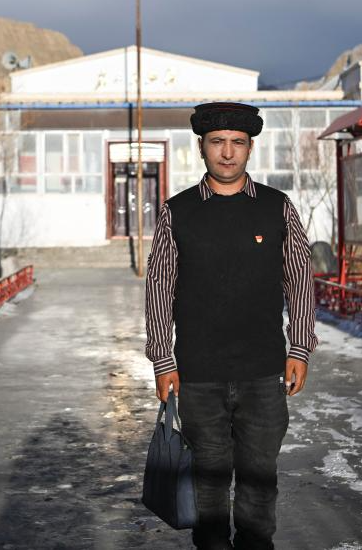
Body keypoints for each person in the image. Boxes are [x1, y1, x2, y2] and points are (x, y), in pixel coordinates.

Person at [145, 101, 318, 550]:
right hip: (198, 376)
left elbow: (300, 279)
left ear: (250, 148)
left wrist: (299, 348)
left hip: (263, 374)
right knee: (208, 490)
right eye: (217, 142)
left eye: (237, 143)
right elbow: (159, 287)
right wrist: (163, 360)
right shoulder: (177, 212)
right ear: (201, 147)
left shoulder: (277, 208)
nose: (227, 152)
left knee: (259, 487)